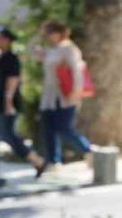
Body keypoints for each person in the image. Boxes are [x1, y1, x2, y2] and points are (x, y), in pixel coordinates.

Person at [37, 20, 93, 167]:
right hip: (49, 97)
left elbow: (77, 71)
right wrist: (39, 35)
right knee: (49, 129)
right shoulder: (51, 50)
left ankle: (88, 151)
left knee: (64, 128)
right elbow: (31, 52)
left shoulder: (69, 49)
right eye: (48, 33)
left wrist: (76, 92)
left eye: (52, 32)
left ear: (60, 32)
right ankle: (53, 162)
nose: (49, 36)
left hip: (66, 96)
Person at [0, 27, 46, 175]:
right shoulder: (1, 57)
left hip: (6, 104)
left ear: (7, 40)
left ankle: (36, 160)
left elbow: (13, 79)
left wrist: (8, 101)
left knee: (8, 135)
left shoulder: (10, 58)